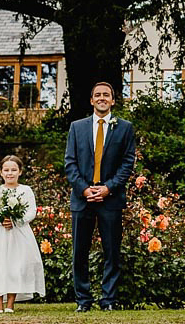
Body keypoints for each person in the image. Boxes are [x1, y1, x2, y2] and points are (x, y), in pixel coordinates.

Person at [64, 81, 136, 312]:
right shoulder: (77, 127)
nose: (102, 98)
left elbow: (127, 162)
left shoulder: (125, 127)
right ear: (92, 100)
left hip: (110, 198)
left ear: (113, 100)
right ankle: (83, 301)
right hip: (82, 198)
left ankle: (109, 300)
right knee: (79, 252)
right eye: (98, 95)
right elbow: (70, 162)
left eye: (107, 95)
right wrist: (84, 189)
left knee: (112, 252)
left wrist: (108, 188)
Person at [0, 155, 45, 312]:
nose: (10, 173)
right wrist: (0, 220)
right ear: (1, 173)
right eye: (6, 170)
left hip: (18, 234)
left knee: (15, 266)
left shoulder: (25, 190)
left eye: (14, 170)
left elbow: (31, 212)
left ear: (20, 172)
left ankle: (10, 303)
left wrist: (15, 220)